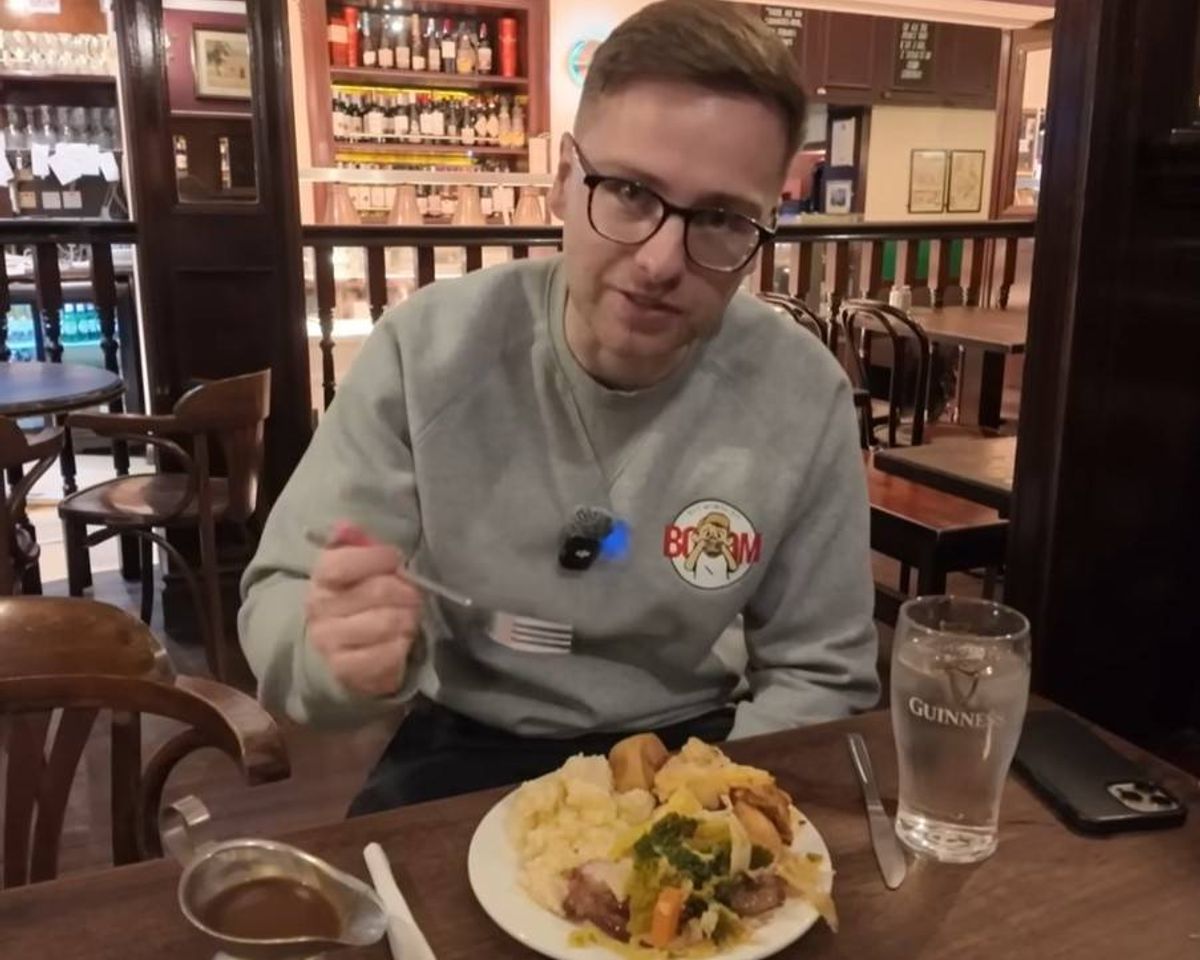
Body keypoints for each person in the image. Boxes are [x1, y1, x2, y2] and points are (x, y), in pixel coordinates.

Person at [239, 0, 879, 815]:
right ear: (565, 180)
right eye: (630, 192)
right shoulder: (428, 351)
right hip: (466, 739)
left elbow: (821, 669)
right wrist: (333, 655)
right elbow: (287, 593)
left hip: (698, 750)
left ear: (764, 225)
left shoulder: (801, 392)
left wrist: (707, 803)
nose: (657, 260)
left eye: (719, 218)